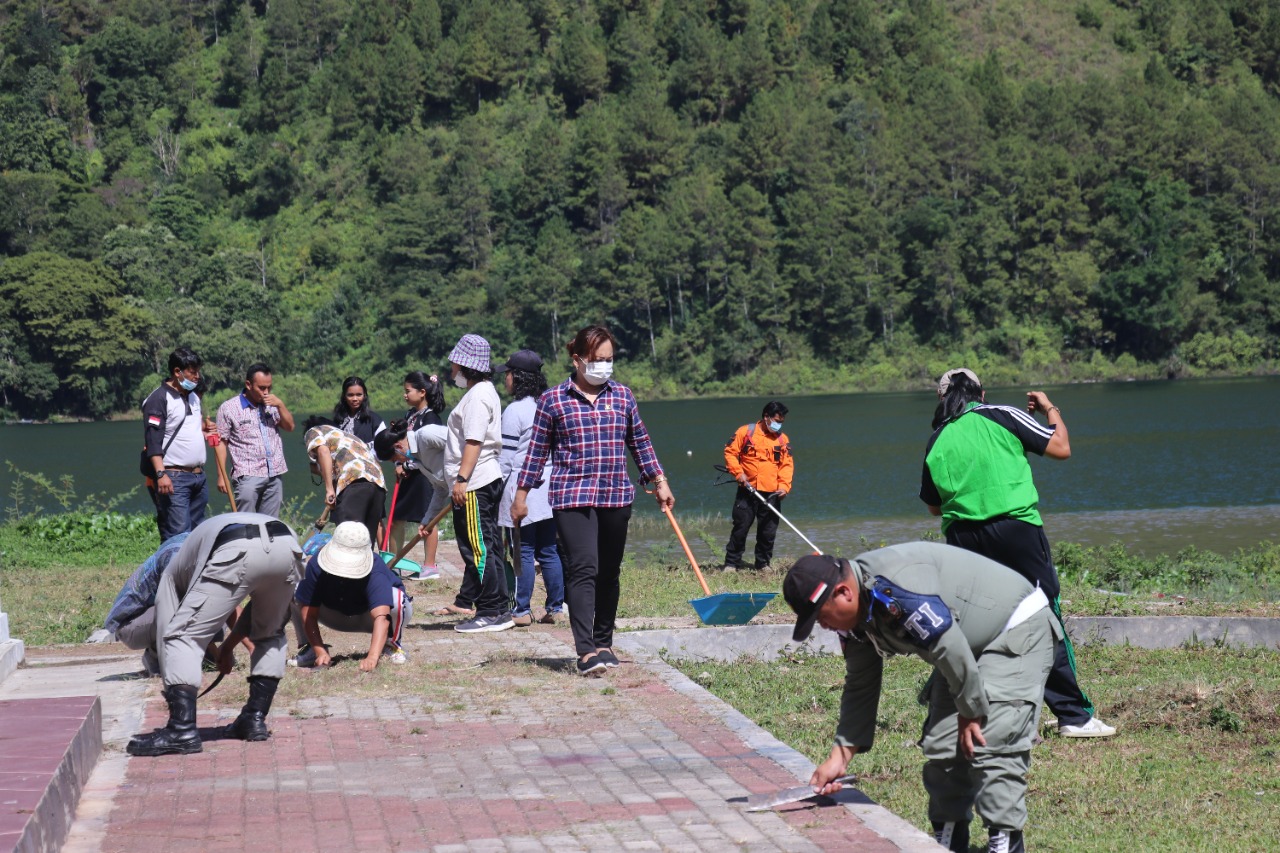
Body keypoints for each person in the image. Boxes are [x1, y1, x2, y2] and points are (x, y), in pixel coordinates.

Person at [785, 544, 1059, 853]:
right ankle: (950, 839)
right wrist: (840, 756)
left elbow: (949, 645)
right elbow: (861, 683)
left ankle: (1005, 841)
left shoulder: (897, 590)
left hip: (1014, 628)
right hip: (961, 647)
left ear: (844, 593)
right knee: (943, 746)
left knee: (991, 742)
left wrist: (970, 710)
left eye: (821, 617)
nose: (822, 626)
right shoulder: (855, 618)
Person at [920, 368, 1116, 739]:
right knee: (1043, 617)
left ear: (942, 399)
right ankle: (1073, 716)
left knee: (984, 626)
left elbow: (933, 506)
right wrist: (1050, 408)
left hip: (964, 540)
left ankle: (974, 713)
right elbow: (1061, 448)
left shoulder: (937, 439)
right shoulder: (1002, 415)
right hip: (1016, 532)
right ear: (982, 392)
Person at [513, 325, 673, 676]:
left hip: (616, 494)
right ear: (578, 360)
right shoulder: (554, 400)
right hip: (573, 496)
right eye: (598, 360)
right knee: (584, 566)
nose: (605, 366)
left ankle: (604, 642)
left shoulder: (623, 397)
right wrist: (521, 495)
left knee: (609, 571)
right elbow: (536, 453)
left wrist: (658, 480)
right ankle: (585, 650)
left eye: (610, 360)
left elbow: (640, 443)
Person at [126, 513, 303, 757]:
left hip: (235, 545)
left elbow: (171, 631)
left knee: (182, 637)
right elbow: (252, 614)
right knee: (269, 634)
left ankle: (181, 730)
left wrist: (172, 684)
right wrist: (227, 647)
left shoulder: (171, 572)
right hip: (288, 543)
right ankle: (254, 719)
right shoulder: (195, 547)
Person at [434, 333, 510, 633]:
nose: (452, 371)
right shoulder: (483, 391)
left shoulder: (478, 397)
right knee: (488, 545)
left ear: (466, 366)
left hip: (475, 482)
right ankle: (498, 607)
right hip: (481, 479)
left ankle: (491, 610)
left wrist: (461, 480)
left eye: (455, 365)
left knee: (478, 548)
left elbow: (474, 441)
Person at [494, 349, 565, 627]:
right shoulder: (548, 404)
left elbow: (507, 458)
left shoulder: (514, 410)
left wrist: (494, 489)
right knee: (549, 550)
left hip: (523, 488)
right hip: (549, 487)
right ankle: (555, 608)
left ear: (518, 377)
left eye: (508, 374)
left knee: (522, 550)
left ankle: (522, 610)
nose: (505, 380)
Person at [289, 521, 413, 669]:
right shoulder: (316, 564)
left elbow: (382, 618)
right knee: (292, 589)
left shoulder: (375, 567)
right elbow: (307, 611)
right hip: (334, 615)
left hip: (369, 619)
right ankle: (311, 646)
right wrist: (320, 651)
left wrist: (372, 657)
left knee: (396, 597)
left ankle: (391, 643)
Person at [141, 347, 210, 541]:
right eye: (192, 372)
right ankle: (171, 572)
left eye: (198, 371)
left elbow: (188, 428)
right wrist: (161, 474)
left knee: (197, 535)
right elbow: (152, 439)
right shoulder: (158, 399)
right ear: (177, 372)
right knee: (178, 535)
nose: (197, 376)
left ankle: (193, 572)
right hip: (173, 477)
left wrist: (205, 430)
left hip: (198, 477)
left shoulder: (194, 397)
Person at [214, 362, 294, 516]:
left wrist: (281, 405)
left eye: (269, 388)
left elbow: (289, 427)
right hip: (247, 474)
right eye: (261, 388)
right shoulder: (229, 408)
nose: (266, 392)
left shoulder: (272, 404)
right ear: (248, 384)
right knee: (246, 524)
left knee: (270, 525)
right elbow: (221, 442)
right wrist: (221, 476)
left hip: (274, 473)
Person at [722, 400, 794, 571]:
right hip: (747, 490)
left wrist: (784, 487)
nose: (778, 425)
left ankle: (763, 564)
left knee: (768, 532)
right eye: (776, 421)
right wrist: (739, 473)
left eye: (781, 422)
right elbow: (730, 453)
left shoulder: (782, 439)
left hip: (772, 493)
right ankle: (732, 563)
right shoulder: (745, 432)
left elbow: (786, 465)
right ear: (766, 417)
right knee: (741, 527)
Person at [374, 419, 449, 581]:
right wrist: (427, 519)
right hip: (458, 492)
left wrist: (462, 480)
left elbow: (462, 444)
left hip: (475, 485)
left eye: (395, 460)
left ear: (398, 447)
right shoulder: (418, 460)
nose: (399, 463)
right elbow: (440, 488)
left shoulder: (427, 434)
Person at [388, 371, 446, 567]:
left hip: (424, 477)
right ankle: (395, 562)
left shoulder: (431, 418)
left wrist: (405, 465)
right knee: (397, 518)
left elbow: (427, 453)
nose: (405, 395)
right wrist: (399, 464)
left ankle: (429, 565)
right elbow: (402, 445)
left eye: (408, 391)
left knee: (428, 521)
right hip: (407, 475)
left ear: (422, 392)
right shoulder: (409, 415)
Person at [304, 417, 388, 549]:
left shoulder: (314, 431)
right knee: (365, 543)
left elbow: (323, 451)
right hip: (378, 484)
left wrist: (329, 489)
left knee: (347, 539)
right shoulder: (350, 437)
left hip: (355, 484)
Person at [333, 376, 386, 447]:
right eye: (350, 395)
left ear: (364, 395)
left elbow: (385, 444)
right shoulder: (338, 420)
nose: (355, 399)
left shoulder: (375, 420)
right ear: (344, 396)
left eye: (359, 395)